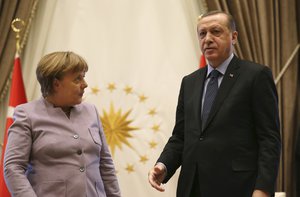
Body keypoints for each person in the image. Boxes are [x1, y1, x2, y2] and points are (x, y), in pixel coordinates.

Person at [148, 11, 281, 197]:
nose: (208, 39)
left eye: (215, 32)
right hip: (192, 187)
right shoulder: (190, 82)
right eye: (202, 34)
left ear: (233, 37)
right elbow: (180, 136)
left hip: (238, 187)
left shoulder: (256, 76)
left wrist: (263, 188)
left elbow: (269, 139)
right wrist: (163, 165)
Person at [3, 51, 121, 197]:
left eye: (83, 77)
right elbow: (13, 168)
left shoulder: (91, 112)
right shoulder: (27, 115)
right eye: (77, 79)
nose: (85, 84)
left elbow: (106, 164)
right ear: (56, 83)